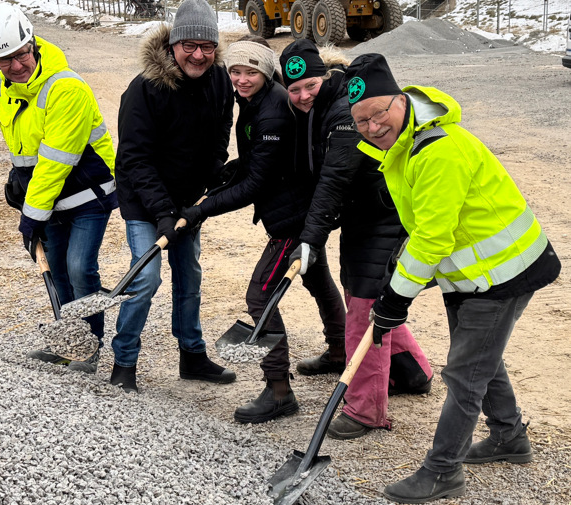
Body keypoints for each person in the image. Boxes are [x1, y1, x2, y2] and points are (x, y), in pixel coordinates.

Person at [344, 53, 561, 503]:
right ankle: (508, 437)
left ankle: (443, 471)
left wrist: (394, 300)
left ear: (400, 101)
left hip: (503, 273)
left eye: (379, 113)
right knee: (481, 357)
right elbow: (425, 224)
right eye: (361, 121)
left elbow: (433, 239)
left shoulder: (437, 150)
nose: (372, 127)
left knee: (464, 374)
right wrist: (400, 270)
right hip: (471, 275)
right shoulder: (402, 147)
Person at [177, 35, 345, 424]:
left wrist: (203, 209)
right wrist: (231, 170)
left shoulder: (271, 112)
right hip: (297, 210)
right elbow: (260, 163)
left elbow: (258, 183)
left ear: (265, 71)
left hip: (293, 219)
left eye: (250, 71)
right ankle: (339, 351)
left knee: (260, 294)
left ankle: (279, 390)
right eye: (235, 70)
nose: (241, 78)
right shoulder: (258, 101)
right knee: (318, 279)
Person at [278, 40, 433, 440]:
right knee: (364, 297)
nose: (302, 95)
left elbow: (334, 179)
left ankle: (365, 410)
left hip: (383, 216)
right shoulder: (322, 106)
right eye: (294, 90)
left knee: (364, 308)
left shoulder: (347, 109)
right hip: (362, 216)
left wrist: (310, 239)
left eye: (309, 85)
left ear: (324, 76)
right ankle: (414, 371)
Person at [0, 3, 117, 373]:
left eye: (20, 55)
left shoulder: (65, 88)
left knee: (78, 267)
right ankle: (68, 344)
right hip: (47, 196)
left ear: (33, 43)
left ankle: (90, 349)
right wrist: (17, 180)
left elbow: (57, 162)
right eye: (4, 60)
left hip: (88, 191)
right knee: (55, 268)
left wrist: (31, 216)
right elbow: (23, 145)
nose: (15, 66)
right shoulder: (1, 85)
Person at [113, 0, 235, 393]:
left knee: (189, 275)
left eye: (208, 46)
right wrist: (162, 211)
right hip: (143, 199)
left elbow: (222, 127)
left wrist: (214, 170)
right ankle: (124, 360)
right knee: (146, 278)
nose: (199, 55)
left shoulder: (219, 80)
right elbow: (134, 157)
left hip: (186, 201)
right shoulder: (145, 89)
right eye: (190, 46)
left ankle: (192, 356)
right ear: (173, 45)